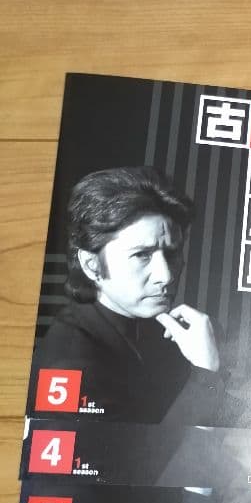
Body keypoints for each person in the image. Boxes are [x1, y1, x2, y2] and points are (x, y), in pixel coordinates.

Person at [34, 166, 224, 424]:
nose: (166, 275)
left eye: (172, 253)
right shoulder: (69, 364)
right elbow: (150, 453)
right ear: (92, 264)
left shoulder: (169, 334)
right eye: (141, 255)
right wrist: (206, 374)